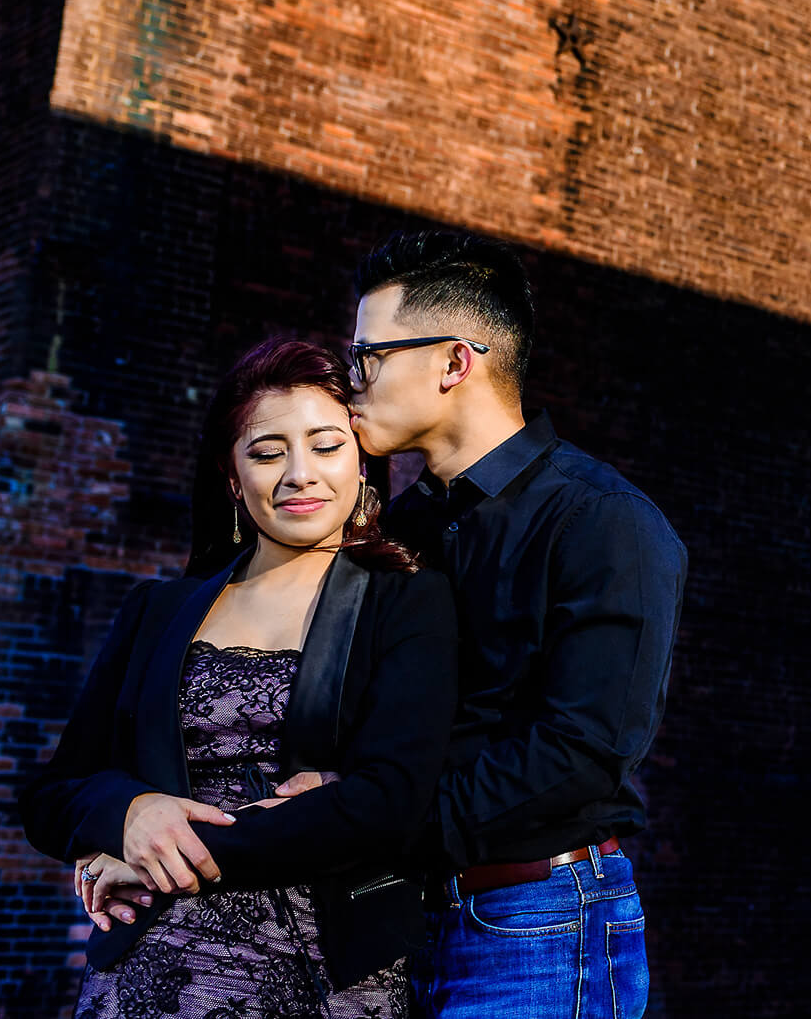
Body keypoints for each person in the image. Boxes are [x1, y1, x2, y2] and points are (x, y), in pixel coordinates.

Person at [282, 229, 685, 1017]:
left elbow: (584, 747)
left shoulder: (603, 522)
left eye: (367, 356)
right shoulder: (397, 531)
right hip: (396, 921)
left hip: (541, 921)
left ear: (454, 361)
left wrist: (377, 821)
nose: (350, 378)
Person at [19, 339, 458, 1019]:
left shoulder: (407, 601)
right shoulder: (156, 611)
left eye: (325, 445)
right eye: (267, 452)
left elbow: (389, 802)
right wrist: (131, 815)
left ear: (363, 461)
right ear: (232, 476)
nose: (300, 475)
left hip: (328, 971)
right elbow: (52, 795)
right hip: (151, 971)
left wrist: (166, 855)